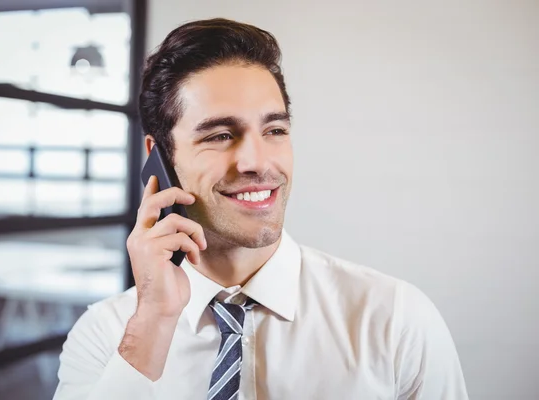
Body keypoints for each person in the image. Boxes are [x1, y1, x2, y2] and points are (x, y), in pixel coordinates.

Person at [53, 18, 468, 400]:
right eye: (219, 135)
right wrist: (153, 323)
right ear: (158, 157)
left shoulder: (394, 320)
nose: (257, 162)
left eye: (274, 130)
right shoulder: (106, 334)